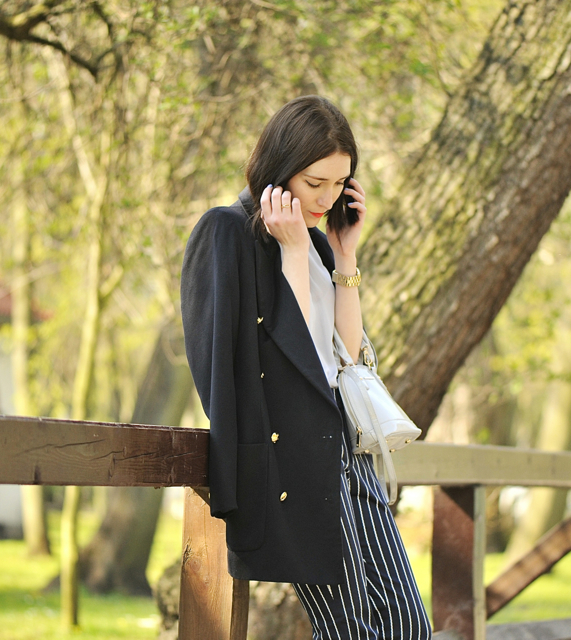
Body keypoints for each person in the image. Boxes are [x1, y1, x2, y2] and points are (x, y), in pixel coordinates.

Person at [181, 95, 432, 640]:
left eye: (340, 183)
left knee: (408, 626)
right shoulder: (225, 232)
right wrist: (293, 252)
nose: (327, 198)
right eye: (314, 182)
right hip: (290, 466)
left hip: (348, 457)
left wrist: (344, 255)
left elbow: (345, 355)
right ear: (279, 168)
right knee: (349, 632)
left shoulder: (318, 242)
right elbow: (281, 360)